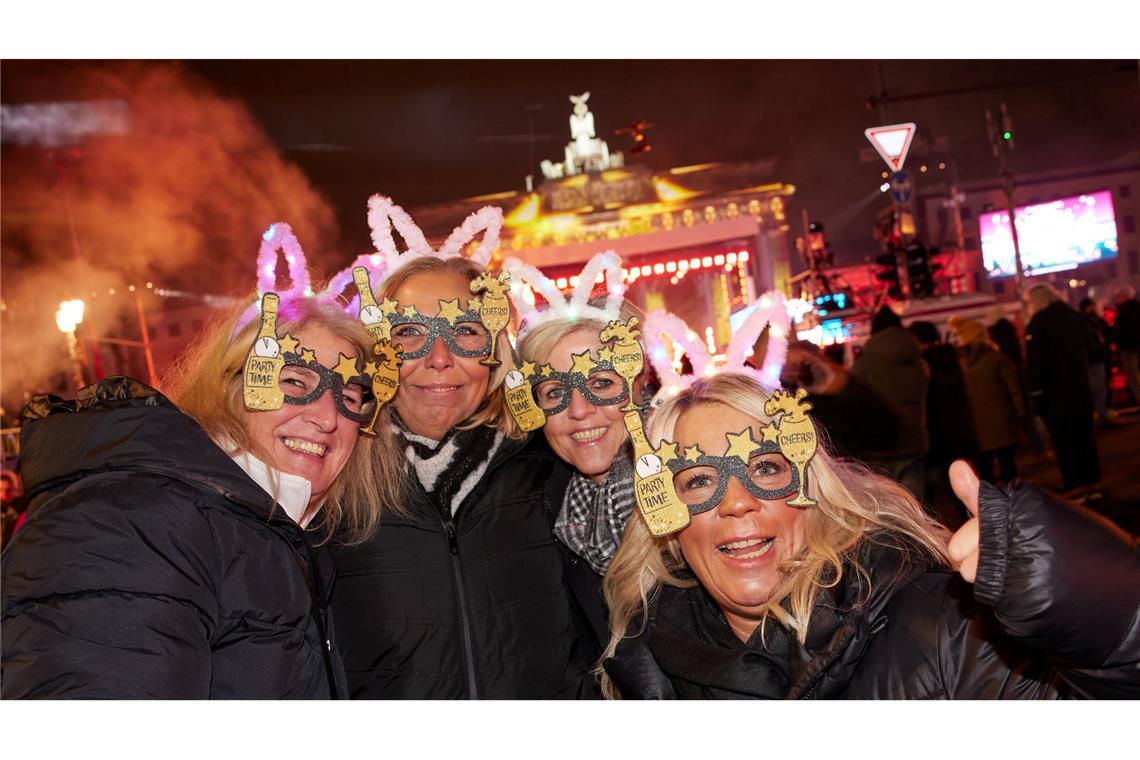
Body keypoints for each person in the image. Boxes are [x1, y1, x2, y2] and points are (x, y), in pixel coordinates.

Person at [599, 372, 1140, 699]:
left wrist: (1104, 618)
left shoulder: (939, 628)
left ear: (812, 489)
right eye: (698, 481)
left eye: (765, 469)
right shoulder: (645, 671)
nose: (738, 501)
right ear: (666, 520)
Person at [1, 274, 400, 698]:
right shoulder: (136, 520)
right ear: (228, 387)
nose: (327, 418)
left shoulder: (285, 538)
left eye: (351, 397)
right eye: (294, 382)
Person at [330, 197, 593, 698]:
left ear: (495, 353)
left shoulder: (552, 467)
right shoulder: (337, 479)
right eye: (409, 334)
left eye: (466, 332)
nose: (439, 358)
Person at [514, 284, 645, 652]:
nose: (579, 410)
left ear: (639, 384)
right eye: (555, 391)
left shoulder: (694, 487)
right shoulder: (544, 513)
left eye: (601, 383)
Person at [1025, 283, 1102, 500]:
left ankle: (1075, 485)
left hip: (1054, 395)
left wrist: (1036, 395)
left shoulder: (1037, 325)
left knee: (1065, 442)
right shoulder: (1075, 318)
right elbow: (1094, 347)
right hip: (1080, 390)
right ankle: (1093, 482)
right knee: (1086, 439)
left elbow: (1035, 365)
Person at [849, 306, 930, 499]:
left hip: (880, 445)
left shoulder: (865, 363)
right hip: (915, 440)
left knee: (887, 506)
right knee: (917, 504)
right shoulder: (919, 361)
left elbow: (853, 401)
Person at [907, 320, 977, 526]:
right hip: (961, 429)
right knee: (965, 486)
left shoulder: (921, 366)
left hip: (936, 434)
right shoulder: (953, 358)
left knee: (939, 492)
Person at [949, 316, 1026, 484]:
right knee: (1008, 466)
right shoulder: (997, 359)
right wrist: (1021, 412)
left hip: (975, 426)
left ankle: (990, 505)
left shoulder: (958, 362)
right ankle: (1012, 503)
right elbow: (1014, 389)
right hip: (1001, 421)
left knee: (984, 470)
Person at [1080, 297, 1113, 426]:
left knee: (1101, 387)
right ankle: (1101, 415)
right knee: (1099, 388)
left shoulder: (1094, 320)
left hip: (1100, 356)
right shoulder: (1087, 321)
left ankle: (1101, 413)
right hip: (1095, 358)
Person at [1113, 285, 1140, 406]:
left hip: (1128, 348)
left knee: (1134, 377)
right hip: (1135, 345)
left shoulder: (1122, 311)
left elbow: (1119, 331)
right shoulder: (1138, 306)